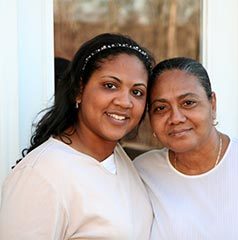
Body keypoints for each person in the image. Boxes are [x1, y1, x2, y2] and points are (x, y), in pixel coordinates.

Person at [0, 33, 155, 239]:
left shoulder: (118, 158)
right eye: (110, 86)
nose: (125, 102)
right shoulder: (40, 176)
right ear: (79, 90)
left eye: (137, 92)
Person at [134, 57, 238, 240]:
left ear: (212, 104)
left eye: (188, 103)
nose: (176, 118)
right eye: (161, 108)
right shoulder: (143, 172)